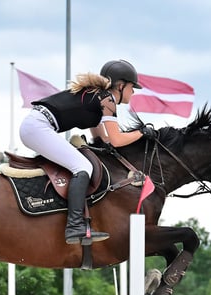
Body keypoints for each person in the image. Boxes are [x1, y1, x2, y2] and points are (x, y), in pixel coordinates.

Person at [19, 59, 152, 245]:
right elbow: (116, 139)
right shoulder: (107, 99)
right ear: (120, 86)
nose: (133, 92)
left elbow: (102, 139)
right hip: (38, 127)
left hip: (35, 126)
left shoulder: (97, 97)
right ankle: (74, 226)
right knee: (82, 167)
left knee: (82, 164)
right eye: (132, 87)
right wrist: (142, 132)